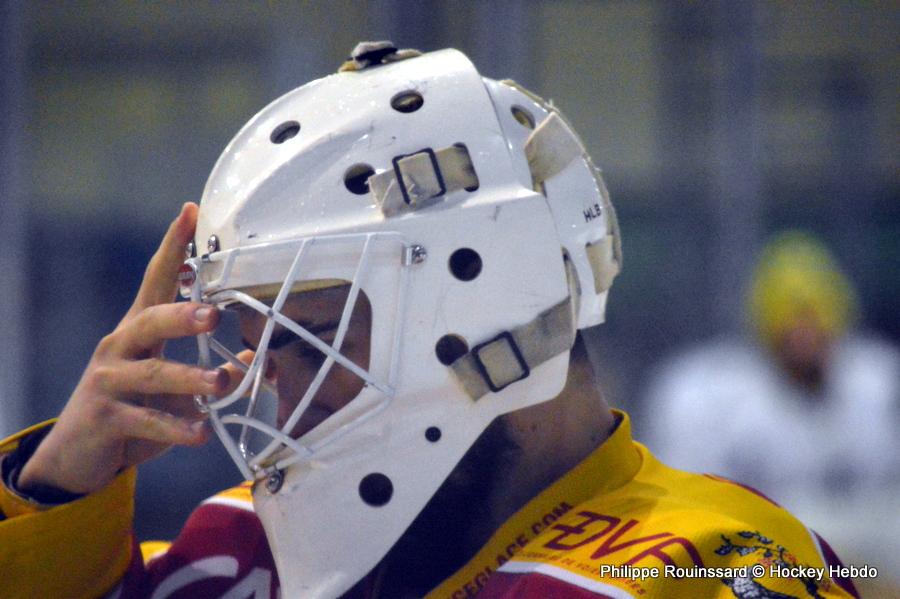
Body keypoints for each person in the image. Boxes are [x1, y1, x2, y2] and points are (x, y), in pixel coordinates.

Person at [0, 43, 858, 599]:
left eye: (316, 339)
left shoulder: (714, 565)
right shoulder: (249, 543)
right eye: (260, 347)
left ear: (487, 306)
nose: (276, 398)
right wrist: (57, 500)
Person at [641, 231, 900, 588]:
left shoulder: (878, 383)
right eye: (791, 318)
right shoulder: (710, 395)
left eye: (814, 316)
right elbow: (687, 511)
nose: (804, 334)